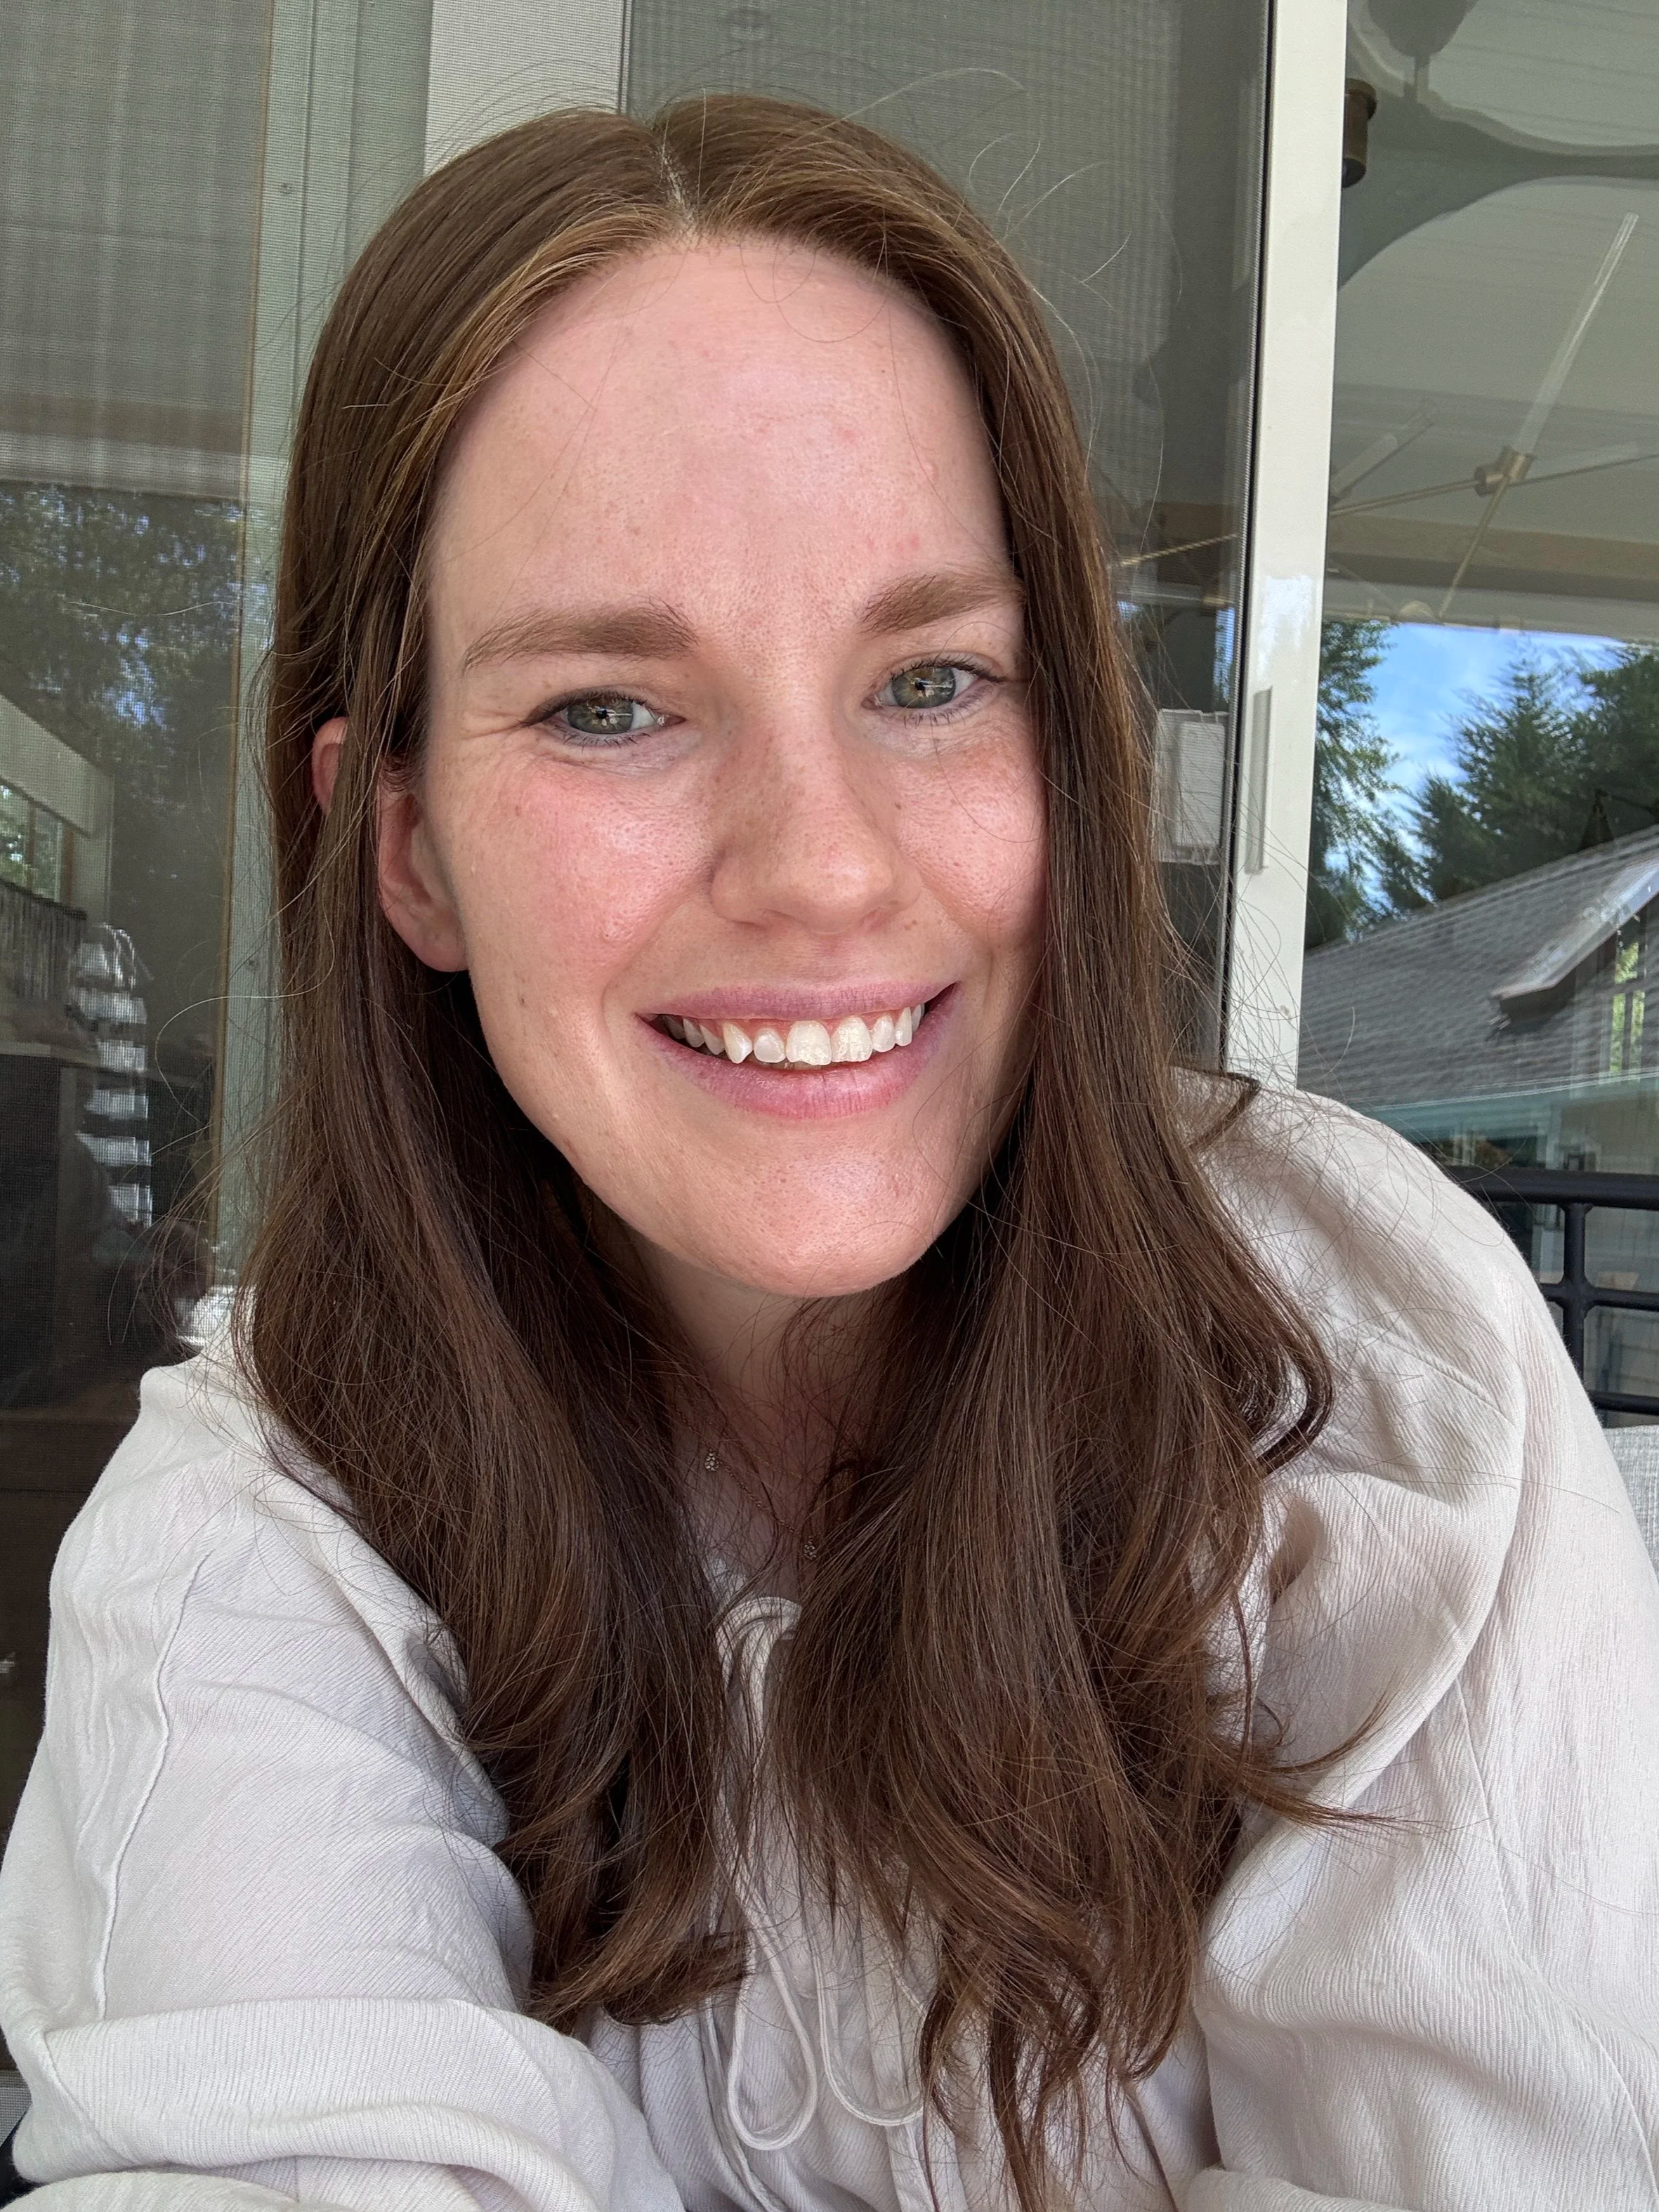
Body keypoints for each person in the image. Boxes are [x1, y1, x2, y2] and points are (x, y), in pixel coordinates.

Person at [1, 94, 1655, 2212]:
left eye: (934, 677)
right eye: (613, 703)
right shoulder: (267, 1514)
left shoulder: (1366, 1371)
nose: (820, 869)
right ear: (399, 843)